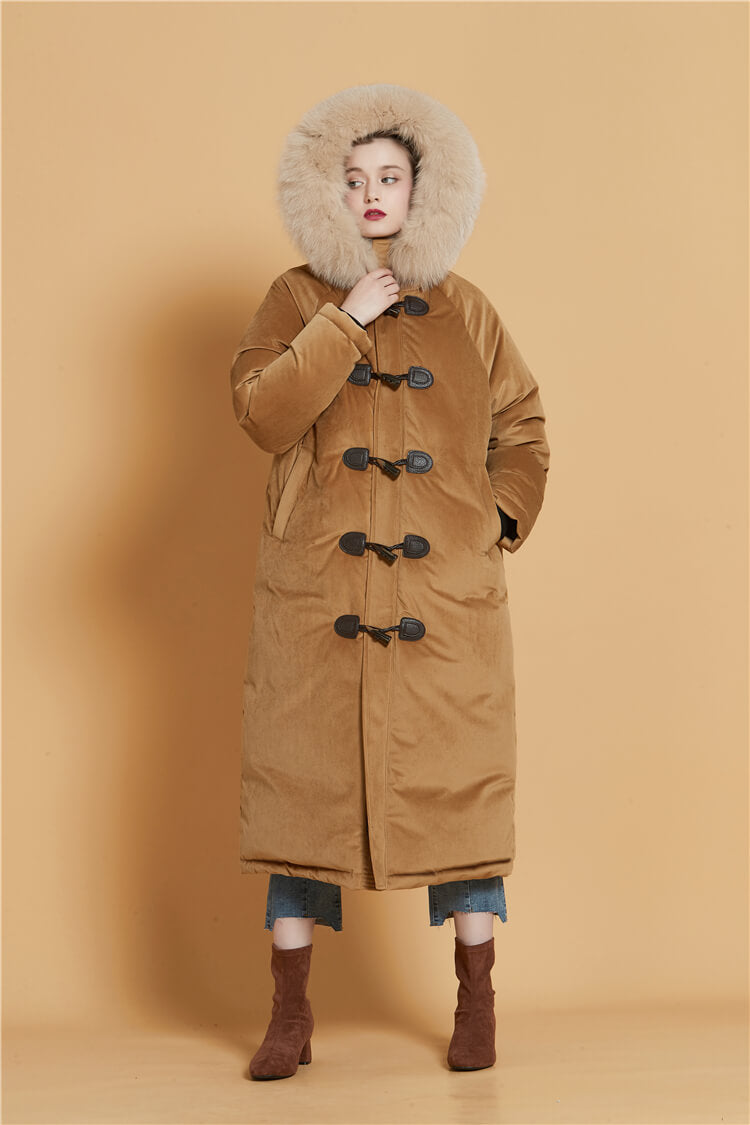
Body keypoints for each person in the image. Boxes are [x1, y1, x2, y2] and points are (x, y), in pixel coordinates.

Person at [229, 83, 549, 1080]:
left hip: (442, 602)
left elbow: (524, 427)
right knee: (299, 801)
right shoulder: (294, 297)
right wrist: (344, 321)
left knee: (461, 799)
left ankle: (477, 1002)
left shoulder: (468, 309)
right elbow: (262, 414)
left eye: (391, 177)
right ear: (326, 191)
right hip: (318, 600)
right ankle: (290, 1015)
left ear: (423, 189)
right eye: (354, 178)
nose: (373, 193)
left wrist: (493, 521)